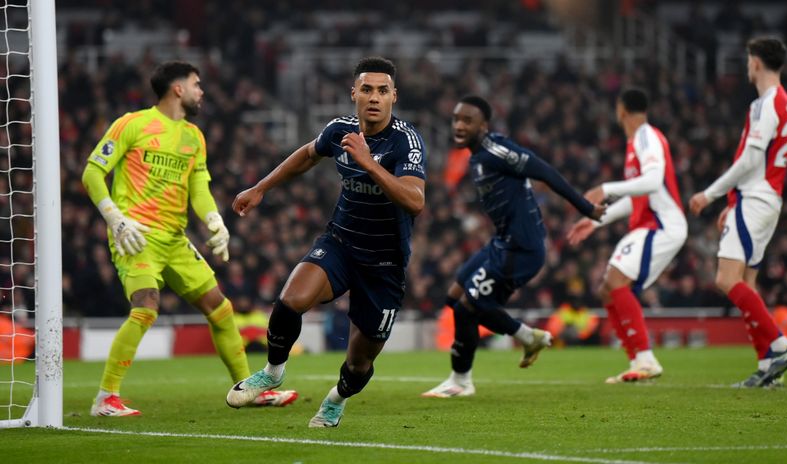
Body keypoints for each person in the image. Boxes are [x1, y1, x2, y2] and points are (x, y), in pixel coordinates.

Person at [82, 61, 297, 416]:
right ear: (178, 88)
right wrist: (115, 218)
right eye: (197, 84)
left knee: (221, 309)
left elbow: (198, 188)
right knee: (146, 306)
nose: (202, 92)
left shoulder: (194, 137)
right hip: (136, 236)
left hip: (175, 240)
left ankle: (250, 389)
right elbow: (92, 172)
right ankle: (105, 397)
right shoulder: (132, 124)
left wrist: (214, 219)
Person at [225, 57, 426, 428]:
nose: (374, 97)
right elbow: (306, 156)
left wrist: (370, 164)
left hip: (385, 263)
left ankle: (336, 399)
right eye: (366, 89)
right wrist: (260, 187)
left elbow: (415, 200)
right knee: (289, 301)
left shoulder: (406, 142)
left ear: (394, 96)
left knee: (358, 364)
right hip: (341, 243)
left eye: (383, 90)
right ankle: (272, 372)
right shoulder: (339, 130)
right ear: (354, 93)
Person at [421, 95, 605, 398]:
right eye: (456, 119)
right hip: (502, 242)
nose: (459, 125)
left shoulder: (497, 151)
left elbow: (544, 171)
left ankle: (461, 381)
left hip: (522, 248)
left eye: (468, 120)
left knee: (470, 306)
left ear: (484, 125)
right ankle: (526, 337)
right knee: (454, 297)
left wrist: (585, 208)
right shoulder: (476, 156)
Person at [688, 37, 787, 388]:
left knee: (726, 280)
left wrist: (709, 194)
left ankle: (780, 346)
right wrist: (734, 203)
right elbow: (760, 163)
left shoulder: (766, 104)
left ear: (755, 63)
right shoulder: (784, 103)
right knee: (747, 283)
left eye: (748, 59)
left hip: (757, 199)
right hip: (763, 200)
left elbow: (751, 160)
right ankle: (768, 364)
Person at [567, 88, 687, 383]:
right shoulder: (637, 142)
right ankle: (637, 360)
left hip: (662, 224)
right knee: (609, 289)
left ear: (621, 111)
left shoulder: (646, 136)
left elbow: (653, 181)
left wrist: (606, 189)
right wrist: (596, 222)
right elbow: (638, 195)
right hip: (650, 225)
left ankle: (645, 360)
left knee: (615, 281)